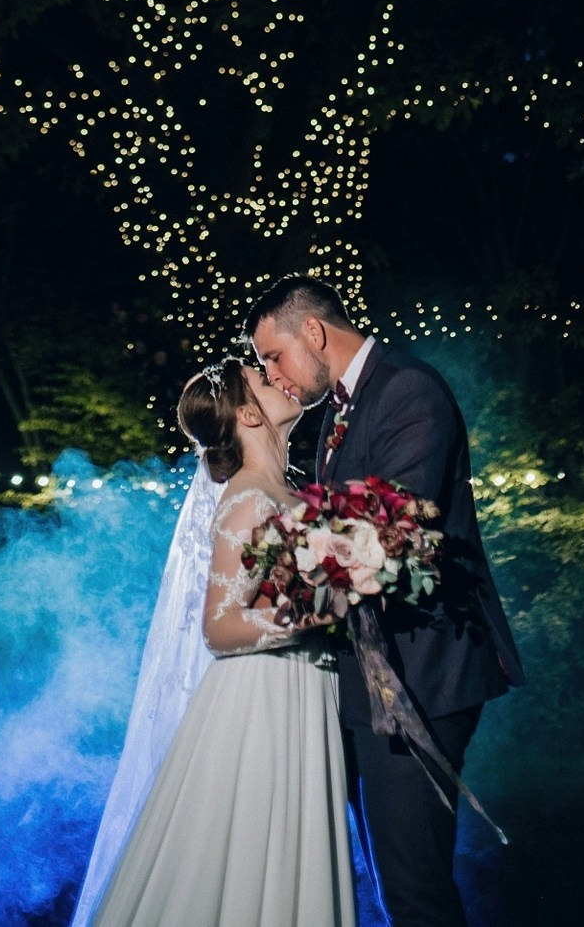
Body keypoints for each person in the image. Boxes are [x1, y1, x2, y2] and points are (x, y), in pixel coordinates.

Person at [248, 274, 524, 927]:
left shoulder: (407, 388)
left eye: (273, 356)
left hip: (422, 674)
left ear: (312, 331)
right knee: (390, 878)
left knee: (413, 888)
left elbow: (395, 530)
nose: (274, 374)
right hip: (373, 676)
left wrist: (292, 582)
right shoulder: (343, 410)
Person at [72, 357, 357, 927]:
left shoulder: (295, 493)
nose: (278, 377)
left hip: (305, 691)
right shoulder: (249, 498)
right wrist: (321, 610)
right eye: (262, 375)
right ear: (249, 412)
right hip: (261, 701)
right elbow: (220, 625)